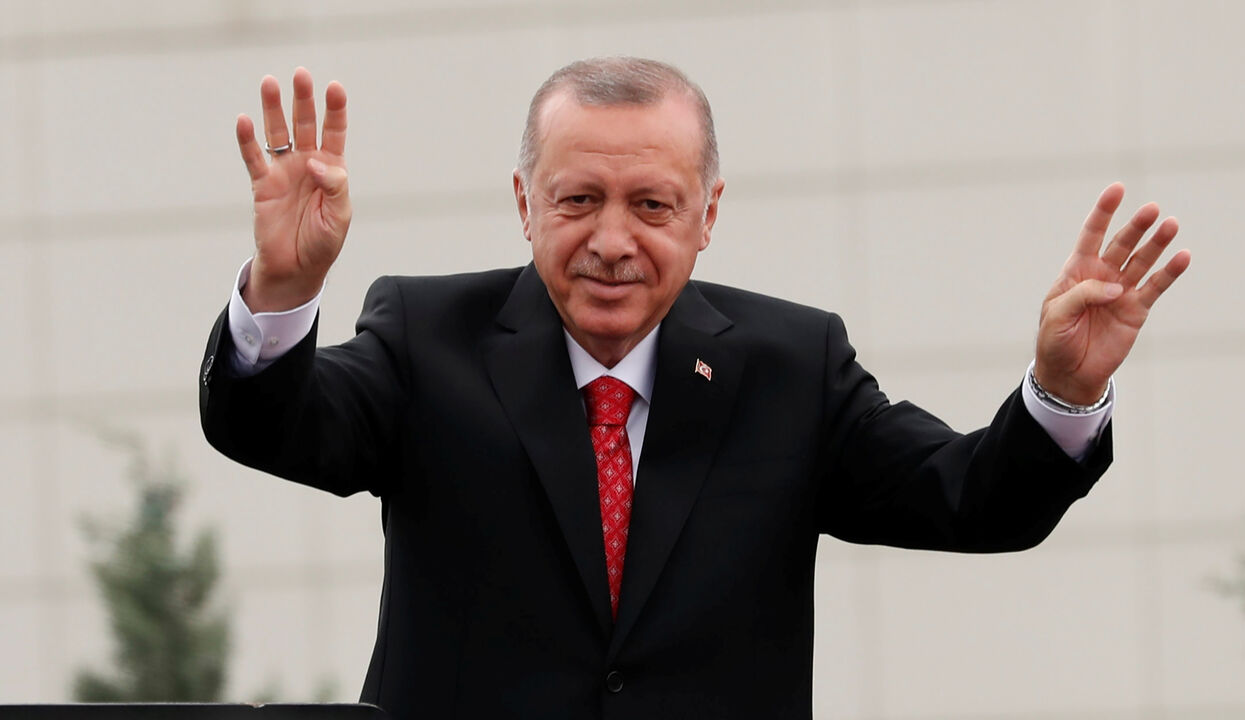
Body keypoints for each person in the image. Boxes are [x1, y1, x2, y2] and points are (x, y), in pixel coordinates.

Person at [199, 58, 1190, 719]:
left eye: (652, 205)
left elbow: (969, 497)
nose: (612, 240)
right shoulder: (427, 339)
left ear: (706, 213)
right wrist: (283, 295)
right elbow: (278, 428)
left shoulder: (789, 366)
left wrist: (1059, 395)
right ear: (523, 205)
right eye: (577, 200)